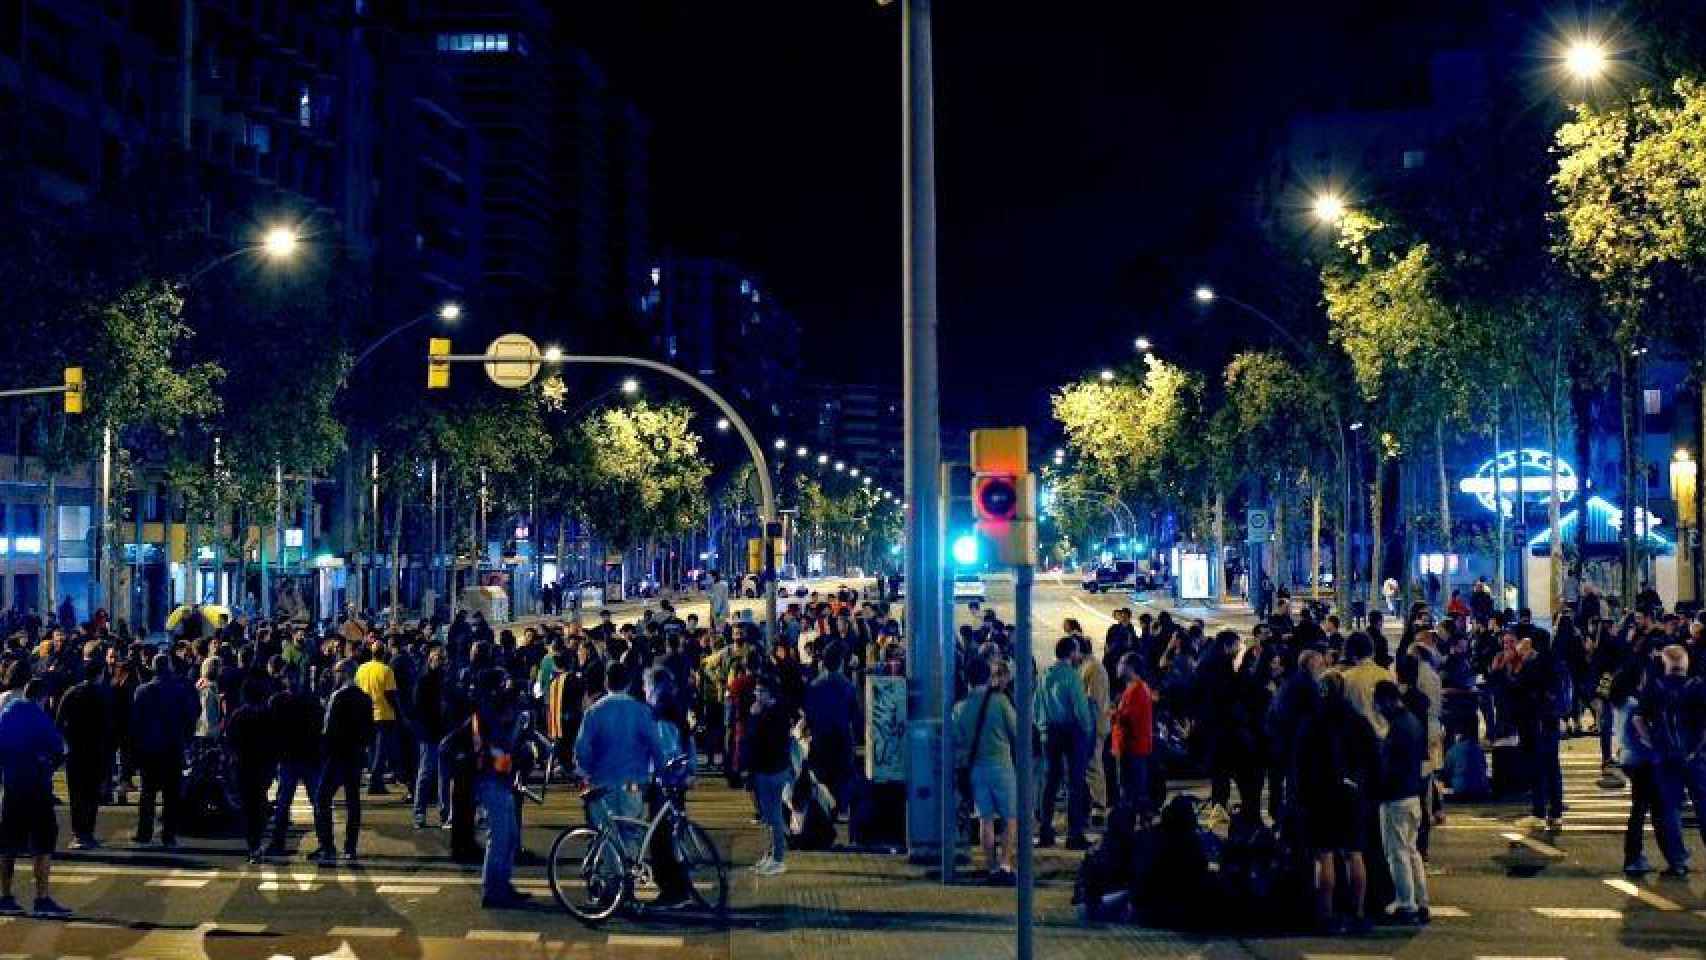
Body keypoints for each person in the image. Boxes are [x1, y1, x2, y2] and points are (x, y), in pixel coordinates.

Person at [1298, 672, 1378, 936]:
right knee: (1354, 854)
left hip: (1321, 795)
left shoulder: (1312, 722)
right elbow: (1372, 758)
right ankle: (1357, 912)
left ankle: (1326, 914)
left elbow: (1300, 764)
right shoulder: (1357, 721)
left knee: (1324, 856)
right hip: (1352, 794)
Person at [0, 679, 69, 918]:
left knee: (7, 844)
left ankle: (5, 895)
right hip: (37, 787)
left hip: (11, 785)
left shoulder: (6, 715)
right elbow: (59, 748)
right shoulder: (41, 719)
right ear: (42, 698)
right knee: (42, 844)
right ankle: (42, 898)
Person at [1615, 662, 1687, 876]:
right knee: (1652, 810)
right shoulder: (1633, 704)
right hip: (1643, 761)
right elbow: (1637, 734)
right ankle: (1645, 857)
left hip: (1632, 760)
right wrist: (1656, 744)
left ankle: (1664, 856)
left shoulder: (1621, 703)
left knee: (1645, 810)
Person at [573, 662, 665, 828]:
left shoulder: (594, 712)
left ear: (606, 683)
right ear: (629, 683)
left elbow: (582, 749)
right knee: (632, 833)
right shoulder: (641, 711)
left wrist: (586, 771)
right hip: (633, 783)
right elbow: (656, 746)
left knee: (605, 836)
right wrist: (658, 773)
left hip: (601, 782)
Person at [953, 657, 1019, 884]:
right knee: (1010, 817)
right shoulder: (1000, 702)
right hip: (1001, 766)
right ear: (987, 676)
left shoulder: (960, 708)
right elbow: (1016, 731)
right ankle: (1005, 864)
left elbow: (956, 742)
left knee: (985, 819)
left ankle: (991, 866)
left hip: (976, 770)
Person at [467, 669, 528, 909]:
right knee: (500, 836)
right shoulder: (487, 713)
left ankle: (501, 884)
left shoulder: (490, 710)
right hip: (491, 779)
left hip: (498, 779)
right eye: (503, 684)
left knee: (509, 836)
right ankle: (493, 890)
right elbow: (497, 747)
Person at [1374, 680, 1429, 925]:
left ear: (1386, 700)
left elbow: (1389, 767)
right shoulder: (1413, 722)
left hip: (1396, 797)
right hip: (1412, 794)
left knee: (1397, 854)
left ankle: (1406, 904)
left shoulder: (1397, 727)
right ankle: (1420, 899)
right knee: (1411, 851)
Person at [130, 655, 197, 850]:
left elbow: (135, 723)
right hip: (173, 747)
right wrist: (185, 739)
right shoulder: (180, 690)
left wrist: (135, 749)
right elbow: (189, 717)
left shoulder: (142, 691)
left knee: (148, 793)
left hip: (149, 748)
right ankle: (169, 835)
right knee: (171, 795)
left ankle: (144, 833)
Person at [312, 659, 374, 864]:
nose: (334, 675)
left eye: (337, 671)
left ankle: (327, 845)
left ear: (344, 673)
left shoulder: (337, 697)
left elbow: (327, 730)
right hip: (355, 754)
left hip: (336, 755)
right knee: (353, 801)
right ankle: (350, 846)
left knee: (322, 798)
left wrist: (324, 752)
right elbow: (369, 731)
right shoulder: (365, 698)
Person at [1035, 636, 1094, 849]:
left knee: (1050, 783)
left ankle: (1045, 831)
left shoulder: (1045, 675)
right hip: (1071, 733)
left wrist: (1043, 728)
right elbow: (1081, 710)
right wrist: (1087, 731)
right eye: (1077, 652)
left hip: (1048, 734)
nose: (1079, 655)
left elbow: (1035, 706)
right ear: (1071, 653)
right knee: (1075, 784)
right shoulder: (1072, 676)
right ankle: (1074, 834)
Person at [54, 647, 111, 850]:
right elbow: (108, 726)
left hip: (75, 748)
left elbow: (58, 721)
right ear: (100, 674)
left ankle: (78, 833)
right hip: (96, 749)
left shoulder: (72, 692)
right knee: (92, 793)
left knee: (76, 793)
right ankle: (88, 832)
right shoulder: (103, 695)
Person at [266, 669, 324, 857]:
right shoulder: (311, 700)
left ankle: (278, 842)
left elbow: (272, 730)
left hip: (289, 756)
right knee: (316, 801)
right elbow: (320, 726)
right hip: (308, 756)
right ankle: (325, 843)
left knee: (284, 802)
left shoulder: (277, 702)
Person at [801, 648, 858, 819]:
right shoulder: (847, 685)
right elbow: (854, 713)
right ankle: (842, 809)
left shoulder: (814, 685)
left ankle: (825, 808)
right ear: (840, 663)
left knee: (822, 774)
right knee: (843, 773)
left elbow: (808, 712)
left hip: (820, 735)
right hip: (841, 735)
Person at [225, 678, 277, 863]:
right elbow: (275, 742)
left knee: (247, 807)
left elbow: (230, 740)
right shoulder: (268, 714)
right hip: (263, 765)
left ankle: (252, 844)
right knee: (260, 802)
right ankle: (257, 841)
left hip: (243, 765)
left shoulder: (238, 715)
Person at [746, 675, 793, 877]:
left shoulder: (769, 715)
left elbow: (758, 740)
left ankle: (778, 858)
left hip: (770, 770)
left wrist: (755, 717)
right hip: (773, 768)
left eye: (759, 691)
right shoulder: (778, 712)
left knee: (773, 816)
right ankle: (771, 854)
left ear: (768, 693)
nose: (756, 694)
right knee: (770, 816)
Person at [1109, 652, 1153, 823]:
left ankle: (1132, 825)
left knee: (1131, 790)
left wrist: (1113, 713)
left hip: (1132, 748)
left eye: (1121, 662)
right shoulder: (1135, 688)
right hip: (1132, 747)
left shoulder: (1137, 690)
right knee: (1133, 789)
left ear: (1131, 667)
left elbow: (1128, 719)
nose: (1118, 666)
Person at [355, 647, 404, 796]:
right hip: (383, 714)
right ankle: (375, 781)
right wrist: (398, 713)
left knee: (369, 749)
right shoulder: (386, 670)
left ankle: (368, 777)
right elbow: (390, 694)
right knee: (380, 751)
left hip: (365, 714)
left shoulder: (361, 669)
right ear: (384, 654)